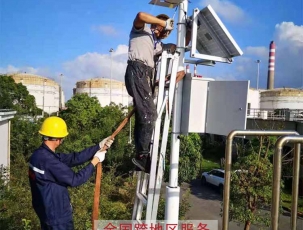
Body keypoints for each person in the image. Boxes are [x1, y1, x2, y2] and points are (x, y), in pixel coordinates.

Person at [125, 12, 191, 173]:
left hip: (145, 75)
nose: (158, 30)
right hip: (137, 70)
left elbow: (179, 48)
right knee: (150, 114)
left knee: (144, 116)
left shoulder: (157, 46)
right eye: (158, 26)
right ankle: (142, 156)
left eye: (162, 29)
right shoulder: (141, 31)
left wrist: (188, 31)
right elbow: (140, 16)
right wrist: (162, 23)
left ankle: (141, 155)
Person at [28, 116, 113, 230]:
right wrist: (95, 161)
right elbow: (75, 180)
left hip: (46, 213)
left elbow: (73, 158)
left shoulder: (38, 156)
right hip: (58, 218)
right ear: (58, 139)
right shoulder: (49, 161)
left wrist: (98, 147)